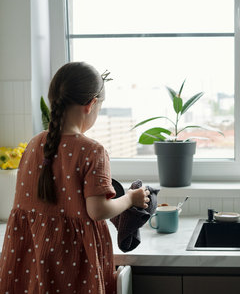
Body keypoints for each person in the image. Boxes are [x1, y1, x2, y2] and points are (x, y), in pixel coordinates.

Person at [0, 62, 150, 293]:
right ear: (91, 105)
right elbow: (98, 210)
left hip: (29, 259)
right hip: (70, 260)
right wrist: (131, 198)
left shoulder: (34, 144)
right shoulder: (92, 151)